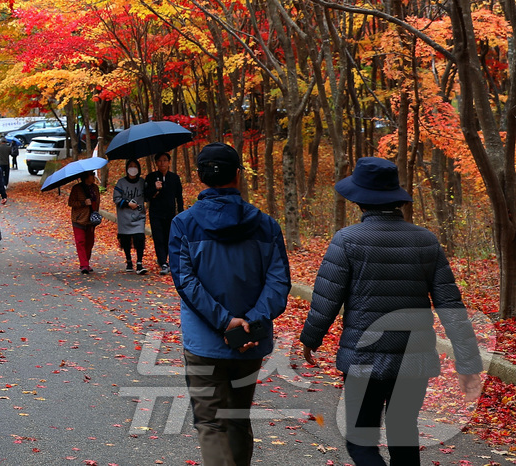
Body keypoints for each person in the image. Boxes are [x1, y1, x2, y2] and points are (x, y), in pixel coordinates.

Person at [300, 157, 484, 466]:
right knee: (403, 433)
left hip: (362, 358)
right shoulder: (426, 241)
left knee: (361, 440)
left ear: (359, 200)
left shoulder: (347, 240)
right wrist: (468, 363)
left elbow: (326, 298)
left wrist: (310, 339)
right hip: (415, 359)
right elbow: (450, 305)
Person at [169, 142, 290, 466]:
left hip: (204, 340)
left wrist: (224, 321)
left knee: (210, 422)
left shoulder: (184, 224)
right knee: (237, 417)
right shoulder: (266, 226)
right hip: (250, 341)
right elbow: (278, 282)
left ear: (200, 176)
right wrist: (251, 320)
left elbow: (186, 281)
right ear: (238, 176)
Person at [145, 152, 185, 273]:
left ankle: (164, 258)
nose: (162, 163)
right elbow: (146, 196)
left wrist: (181, 212)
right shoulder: (151, 177)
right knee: (158, 237)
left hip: (170, 212)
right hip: (156, 213)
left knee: (168, 237)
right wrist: (154, 189)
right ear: (156, 163)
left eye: (165, 160)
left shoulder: (174, 178)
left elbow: (179, 196)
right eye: (160, 161)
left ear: (168, 162)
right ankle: (163, 262)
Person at [114, 158, 149, 274]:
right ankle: (129, 260)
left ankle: (139, 262)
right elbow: (116, 198)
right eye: (130, 166)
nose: (132, 168)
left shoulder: (142, 183)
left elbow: (148, 196)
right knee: (126, 239)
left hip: (139, 216)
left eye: (135, 166)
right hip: (124, 216)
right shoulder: (121, 183)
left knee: (139, 237)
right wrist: (127, 203)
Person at [68, 171, 100, 273]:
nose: (94, 176)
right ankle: (84, 264)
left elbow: (98, 202)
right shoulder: (77, 188)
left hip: (91, 219)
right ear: (86, 176)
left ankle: (86, 262)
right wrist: (83, 203)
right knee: (80, 241)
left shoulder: (95, 188)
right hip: (79, 219)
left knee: (90, 243)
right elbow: (71, 202)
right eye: (91, 175)